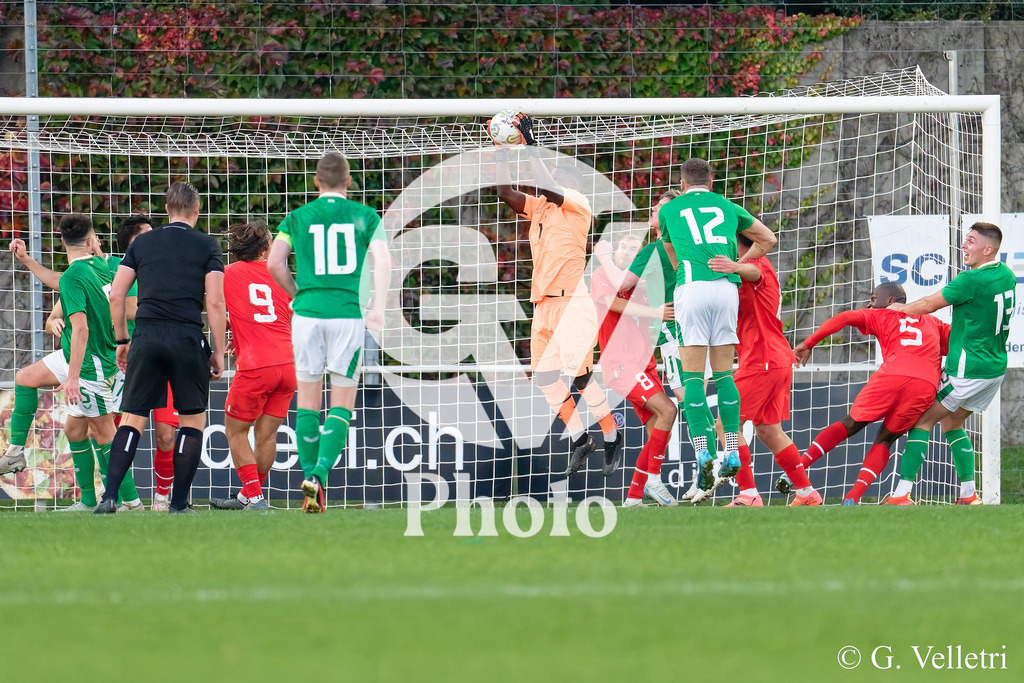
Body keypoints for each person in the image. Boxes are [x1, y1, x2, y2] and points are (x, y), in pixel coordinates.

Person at [495, 114, 622, 477]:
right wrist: (503, 152)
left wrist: (530, 145)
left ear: (571, 183)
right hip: (543, 305)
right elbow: (505, 193)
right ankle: (582, 439)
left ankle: (612, 435)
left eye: (556, 176)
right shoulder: (540, 208)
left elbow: (548, 185)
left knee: (580, 378)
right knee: (546, 378)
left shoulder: (577, 203)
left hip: (572, 303)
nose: (546, 181)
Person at [22, 216, 174, 510]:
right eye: (146, 237)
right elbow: (66, 292)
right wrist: (54, 318)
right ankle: (95, 500)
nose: (154, 242)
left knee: (148, 432)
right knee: (78, 430)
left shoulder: (141, 271)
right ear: (130, 243)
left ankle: (147, 499)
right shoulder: (114, 266)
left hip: (135, 358)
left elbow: (127, 308)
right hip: (103, 358)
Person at [268, 152, 390, 513]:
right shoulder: (365, 216)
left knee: (307, 400)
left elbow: (274, 262)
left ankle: (308, 475)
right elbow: (382, 259)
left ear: (316, 181)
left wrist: (297, 295)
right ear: (348, 181)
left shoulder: (296, 217)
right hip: (345, 316)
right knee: (341, 404)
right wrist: (378, 308)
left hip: (307, 317)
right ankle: (319, 473)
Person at [95, 182, 226, 514]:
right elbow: (214, 300)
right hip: (186, 337)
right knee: (192, 420)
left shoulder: (143, 243)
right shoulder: (207, 245)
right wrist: (218, 350)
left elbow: (116, 294)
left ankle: (109, 497)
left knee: (132, 417)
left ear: (167, 210)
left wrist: (123, 340)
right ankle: (178, 503)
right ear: (197, 210)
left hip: (147, 336)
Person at [658, 158, 777, 490]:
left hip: (691, 289)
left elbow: (672, 253)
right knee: (724, 374)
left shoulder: (670, 211)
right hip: (727, 289)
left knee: (693, 376)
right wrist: (737, 263)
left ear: (681, 184)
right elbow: (767, 239)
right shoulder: (727, 206)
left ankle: (704, 455)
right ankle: (733, 452)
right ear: (711, 180)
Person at [1, 215, 132, 511]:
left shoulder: (100, 267)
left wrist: (72, 378)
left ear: (62, 242)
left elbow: (83, 328)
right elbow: (60, 281)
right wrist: (26, 260)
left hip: (92, 362)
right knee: (28, 381)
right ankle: (16, 452)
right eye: (96, 237)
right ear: (91, 241)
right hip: (74, 355)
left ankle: (129, 501)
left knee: (104, 432)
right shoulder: (91, 267)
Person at [883, 222, 1015, 506]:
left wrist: (901, 309)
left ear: (988, 249)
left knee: (922, 420)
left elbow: (930, 303)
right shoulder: (1005, 273)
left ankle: (900, 494)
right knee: (953, 421)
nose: (964, 246)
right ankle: (969, 495)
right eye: (965, 240)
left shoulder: (970, 281)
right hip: (994, 369)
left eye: (971, 241)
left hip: (969, 370)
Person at [788, 283, 950, 504]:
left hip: (891, 375)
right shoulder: (933, 321)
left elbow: (844, 318)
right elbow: (958, 342)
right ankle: (852, 498)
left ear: (892, 300)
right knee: (886, 439)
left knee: (851, 424)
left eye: (874, 299)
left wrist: (809, 343)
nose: (869, 304)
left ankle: (798, 469)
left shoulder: (882, 315)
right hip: (925, 384)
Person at [709, 233, 820, 506]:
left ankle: (748, 494)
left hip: (764, 360)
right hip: (776, 359)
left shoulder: (757, 264)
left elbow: (753, 272)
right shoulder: (747, 268)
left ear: (740, 243)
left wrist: (735, 266)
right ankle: (806, 492)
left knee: (726, 425)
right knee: (769, 430)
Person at [211, 222, 295, 511]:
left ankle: (254, 496)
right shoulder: (280, 275)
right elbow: (286, 318)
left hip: (257, 366)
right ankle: (250, 495)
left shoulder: (227, 273)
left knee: (235, 432)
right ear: (266, 247)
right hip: (287, 364)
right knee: (267, 435)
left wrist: (233, 336)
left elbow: (217, 308)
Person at [591, 233, 678, 507]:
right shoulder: (602, 274)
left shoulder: (643, 282)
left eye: (634, 249)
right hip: (621, 363)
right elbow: (611, 303)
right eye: (623, 247)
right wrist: (655, 312)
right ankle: (653, 478)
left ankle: (634, 497)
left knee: (659, 432)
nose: (627, 252)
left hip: (646, 365)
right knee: (669, 410)